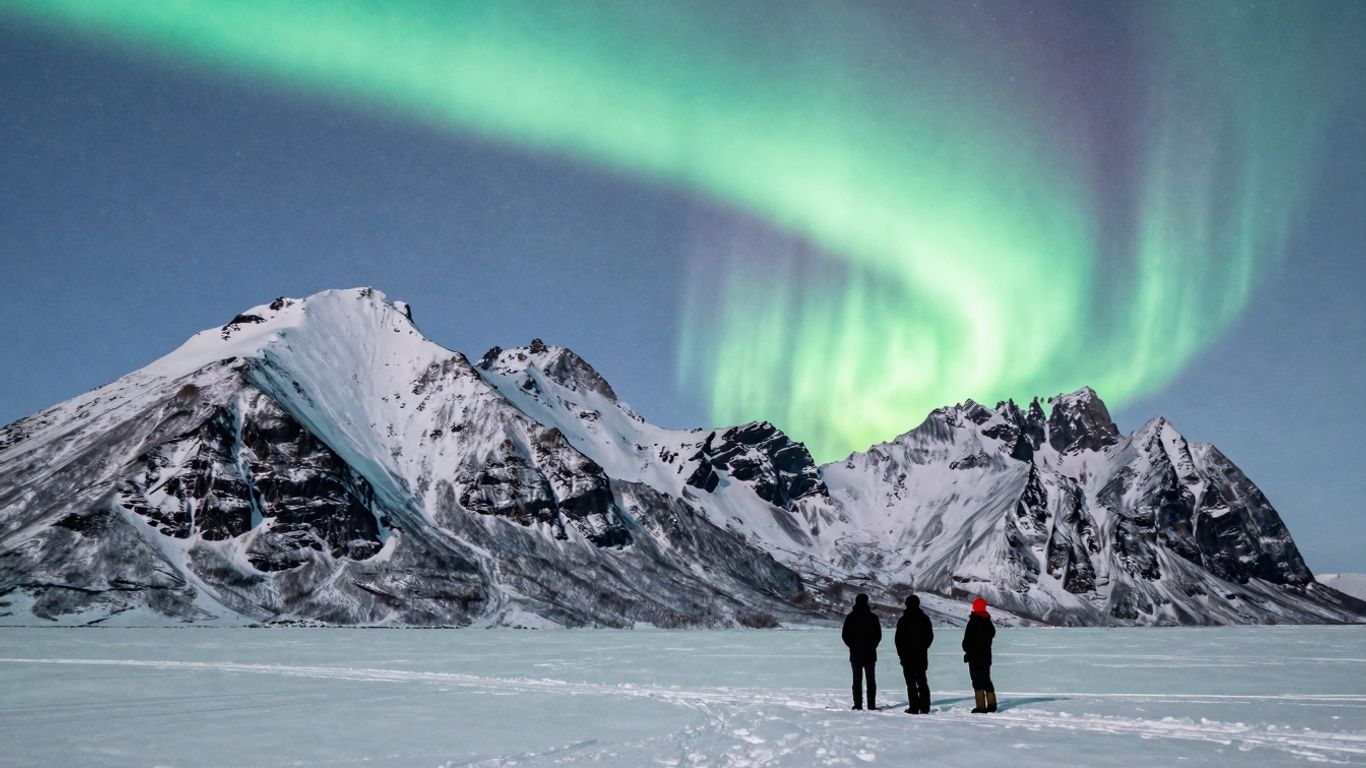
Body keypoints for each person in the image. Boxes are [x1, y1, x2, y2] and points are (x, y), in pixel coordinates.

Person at [842, 593, 882, 710]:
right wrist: (872, 646)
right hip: (870, 653)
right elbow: (878, 635)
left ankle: (858, 704)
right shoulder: (873, 617)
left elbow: (845, 635)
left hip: (855, 654)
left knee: (857, 680)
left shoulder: (850, 617)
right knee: (871, 680)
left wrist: (853, 646)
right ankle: (871, 705)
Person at [895, 594, 934, 714]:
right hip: (921, 655)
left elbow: (898, 640)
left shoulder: (903, 620)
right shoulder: (924, 619)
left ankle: (914, 707)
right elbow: (929, 637)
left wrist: (901, 654)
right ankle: (925, 707)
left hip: (907, 657)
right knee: (922, 681)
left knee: (911, 683)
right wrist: (923, 648)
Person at [961, 597, 997, 713]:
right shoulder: (988, 622)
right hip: (986, 657)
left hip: (975, 657)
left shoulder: (973, 622)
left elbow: (966, 642)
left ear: (975, 608)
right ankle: (992, 705)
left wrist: (967, 650)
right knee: (986, 679)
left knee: (977, 681)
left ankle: (981, 706)